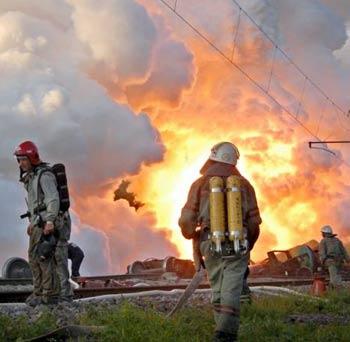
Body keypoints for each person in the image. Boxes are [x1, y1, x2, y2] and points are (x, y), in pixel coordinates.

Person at [179, 142, 262, 342]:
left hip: (210, 242)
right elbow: (253, 222)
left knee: (217, 286)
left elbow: (186, 220)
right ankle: (225, 333)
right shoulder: (245, 185)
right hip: (238, 242)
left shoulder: (199, 184)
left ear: (214, 157)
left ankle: (222, 331)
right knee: (232, 288)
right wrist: (247, 245)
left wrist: (191, 234)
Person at [15, 141, 73, 304]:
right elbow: (35, 204)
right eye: (19, 160)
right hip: (39, 223)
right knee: (35, 257)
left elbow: (53, 200)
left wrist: (49, 221)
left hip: (52, 222)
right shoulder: (32, 177)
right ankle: (40, 293)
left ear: (32, 158)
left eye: (24, 159)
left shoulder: (44, 175)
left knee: (55, 259)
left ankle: (60, 296)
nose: (21, 163)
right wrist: (32, 223)